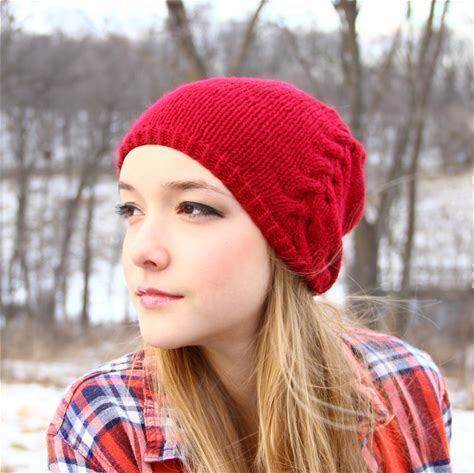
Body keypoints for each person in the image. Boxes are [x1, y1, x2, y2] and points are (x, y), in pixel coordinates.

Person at [46, 77, 452, 472]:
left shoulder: (405, 383)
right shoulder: (108, 421)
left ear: (289, 244)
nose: (141, 251)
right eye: (131, 210)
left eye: (194, 208)